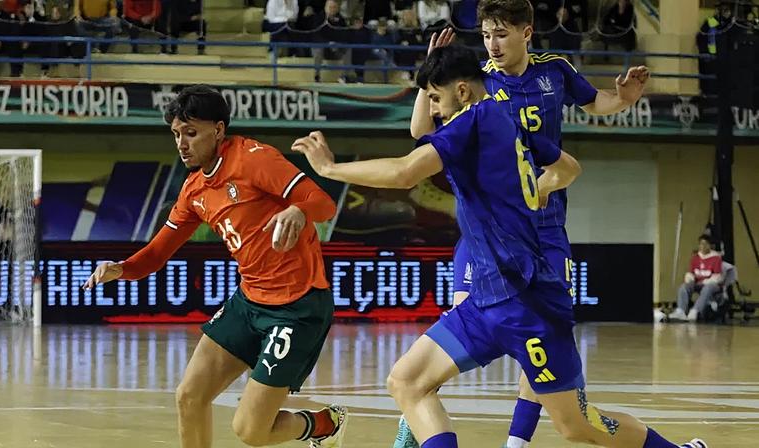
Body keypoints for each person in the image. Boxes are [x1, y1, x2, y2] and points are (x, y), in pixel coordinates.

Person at [294, 45, 707, 448]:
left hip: (529, 306)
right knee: (407, 381)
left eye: (435, 98)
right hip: (486, 300)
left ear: (462, 91)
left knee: (578, 426)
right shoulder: (508, 118)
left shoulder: (471, 122)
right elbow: (567, 168)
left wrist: (330, 168)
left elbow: (405, 173)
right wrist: (536, 191)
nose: (433, 109)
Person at [404, 1, 650, 445]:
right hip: (488, 234)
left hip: (544, 230)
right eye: (485, 36)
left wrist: (623, 99)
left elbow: (596, 103)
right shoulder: (475, 83)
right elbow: (421, 131)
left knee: (538, 338)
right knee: (451, 330)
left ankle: (517, 441)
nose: (492, 45)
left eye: (500, 34)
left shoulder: (554, 70)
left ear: (527, 33)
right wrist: (430, 74)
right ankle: (413, 418)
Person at [83, 85, 347, 448]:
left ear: (218, 129)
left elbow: (323, 203)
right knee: (189, 396)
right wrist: (121, 268)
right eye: (176, 134)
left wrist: (298, 210)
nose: (182, 143)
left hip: (297, 308)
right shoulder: (194, 190)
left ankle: (324, 424)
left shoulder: (254, 159)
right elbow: (157, 254)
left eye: (191, 133)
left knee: (251, 431)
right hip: (248, 302)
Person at [668, 234, 723, 323]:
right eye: (701, 244)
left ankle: (695, 310)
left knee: (708, 288)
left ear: (710, 245)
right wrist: (690, 278)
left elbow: (717, 277)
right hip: (697, 283)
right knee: (683, 287)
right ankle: (681, 311)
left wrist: (706, 281)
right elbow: (691, 272)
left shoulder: (716, 258)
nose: (703, 246)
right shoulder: (696, 257)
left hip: (711, 284)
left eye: (705, 244)